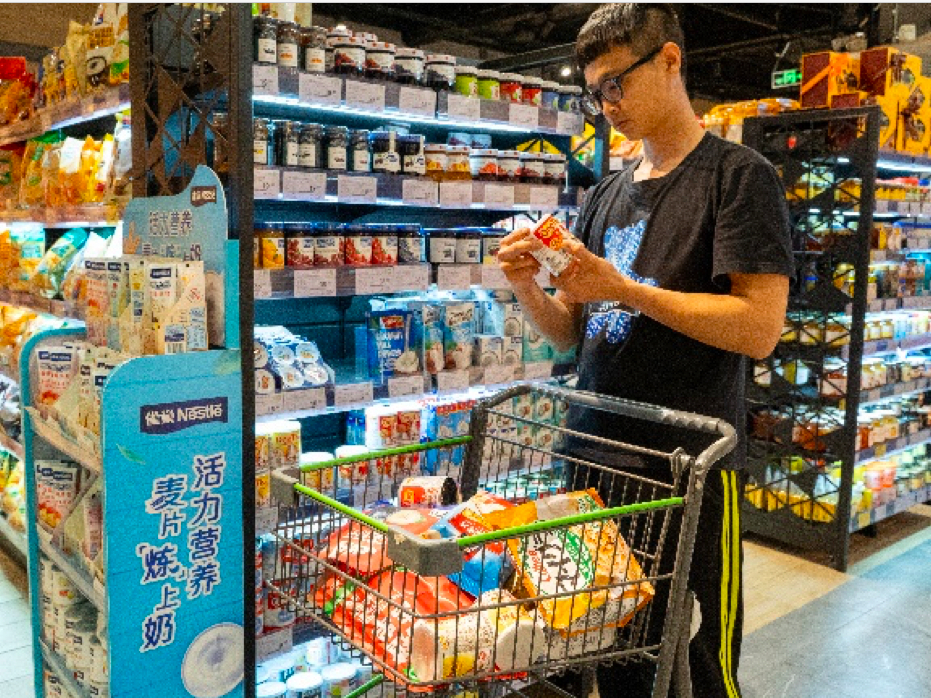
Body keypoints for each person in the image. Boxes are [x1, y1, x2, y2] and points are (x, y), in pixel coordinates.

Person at [496, 4, 794, 697]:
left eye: (615, 85)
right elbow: (573, 331)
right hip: (591, 458)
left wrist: (627, 289)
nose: (606, 108)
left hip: (687, 465)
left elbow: (758, 329)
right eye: (593, 92)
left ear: (667, 60)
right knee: (602, 647)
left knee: (704, 656)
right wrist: (525, 289)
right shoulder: (603, 195)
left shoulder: (736, 178)